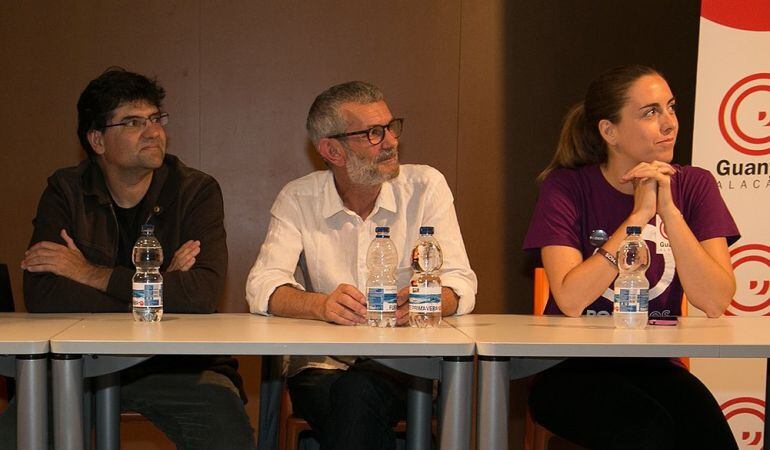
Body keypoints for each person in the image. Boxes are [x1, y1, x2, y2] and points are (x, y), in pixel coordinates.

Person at [11, 68, 255, 450]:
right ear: (97, 139)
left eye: (156, 118)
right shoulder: (65, 190)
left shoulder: (195, 190)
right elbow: (44, 295)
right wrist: (159, 285)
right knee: (16, 433)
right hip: (80, 364)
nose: (154, 130)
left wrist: (88, 274)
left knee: (225, 432)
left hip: (176, 366)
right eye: (133, 122)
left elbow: (201, 294)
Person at [246, 81, 477, 450]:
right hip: (322, 367)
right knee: (353, 399)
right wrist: (319, 305)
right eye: (373, 133)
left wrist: (424, 301)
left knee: (355, 399)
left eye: (390, 127)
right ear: (332, 150)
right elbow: (262, 285)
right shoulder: (299, 197)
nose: (391, 141)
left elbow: (460, 283)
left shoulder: (425, 186)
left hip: (405, 364)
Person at [523, 64, 739, 449]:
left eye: (671, 107)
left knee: (712, 439)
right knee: (648, 433)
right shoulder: (566, 187)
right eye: (650, 113)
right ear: (609, 131)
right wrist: (638, 216)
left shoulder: (695, 184)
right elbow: (570, 300)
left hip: (655, 367)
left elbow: (715, 299)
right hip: (570, 368)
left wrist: (668, 212)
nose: (669, 123)